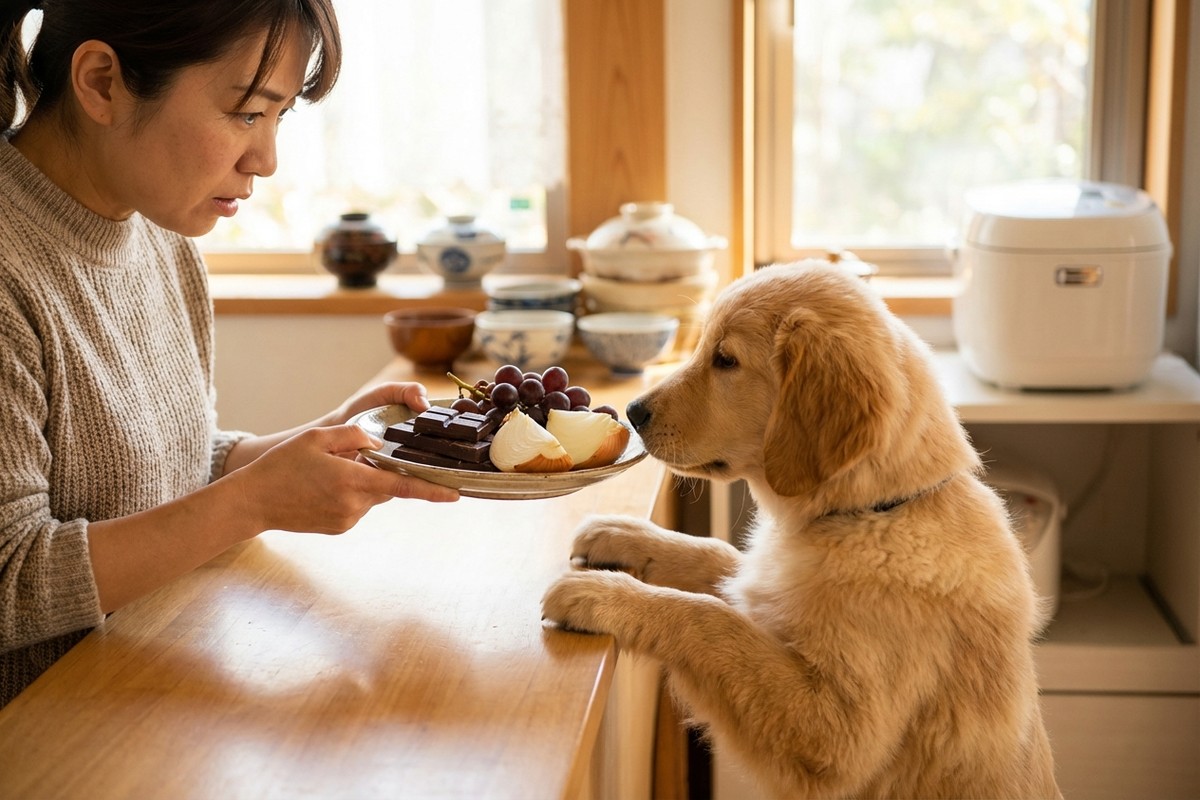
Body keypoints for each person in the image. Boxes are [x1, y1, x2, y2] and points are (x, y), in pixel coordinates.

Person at [0, 0, 460, 707]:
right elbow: (11, 580)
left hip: (153, 699)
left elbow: (162, 466)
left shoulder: (161, 235)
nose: (267, 159)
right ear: (100, 82)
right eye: (247, 113)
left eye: (280, 117)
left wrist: (315, 446)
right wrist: (251, 505)